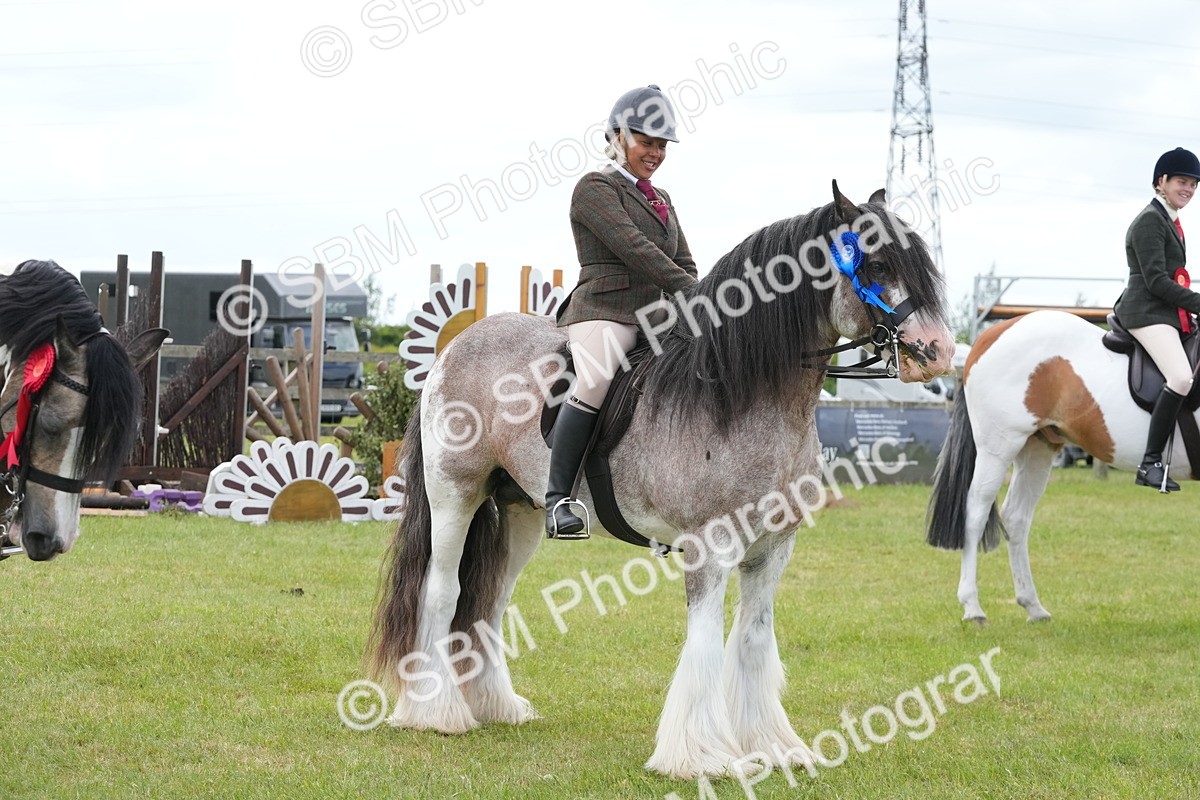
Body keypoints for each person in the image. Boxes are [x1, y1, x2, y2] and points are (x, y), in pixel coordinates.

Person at [545, 85, 699, 539]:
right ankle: (559, 501)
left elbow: (683, 261)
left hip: (656, 315)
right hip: (604, 309)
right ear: (618, 137)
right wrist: (688, 288)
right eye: (646, 142)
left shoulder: (662, 199)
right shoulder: (594, 188)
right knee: (596, 377)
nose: (655, 153)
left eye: (661, 145)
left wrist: (700, 294)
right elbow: (635, 250)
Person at [1114, 146, 1200, 491]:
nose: (1189, 190)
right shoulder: (1150, 220)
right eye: (1182, 182)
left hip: (1164, 311)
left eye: (1194, 185)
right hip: (1145, 311)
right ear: (1161, 181)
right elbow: (1156, 281)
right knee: (1180, 377)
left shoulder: (1171, 220)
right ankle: (1149, 463)